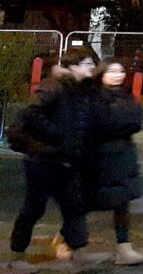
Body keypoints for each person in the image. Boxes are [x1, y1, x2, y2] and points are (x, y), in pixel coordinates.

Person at [6, 49, 108, 272]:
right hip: (42, 160)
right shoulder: (55, 87)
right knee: (33, 208)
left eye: (92, 63)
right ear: (72, 66)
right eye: (86, 63)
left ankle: (79, 254)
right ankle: (17, 256)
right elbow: (31, 112)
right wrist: (55, 134)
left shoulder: (80, 91)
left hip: (65, 161)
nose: (91, 67)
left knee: (74, 208)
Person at [84, 60, 143, 265]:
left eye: (121, 70)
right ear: (101, 73)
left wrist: (119, 125)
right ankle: (69, 239)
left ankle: (124, 247)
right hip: (100, 155)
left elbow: (136, 121)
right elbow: (101, 123)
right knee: (89, 200)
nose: (118, 75)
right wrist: (120, 125)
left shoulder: (126, 96)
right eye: (112, 71)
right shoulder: (93, 97)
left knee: (122, 202)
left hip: (123, 155)